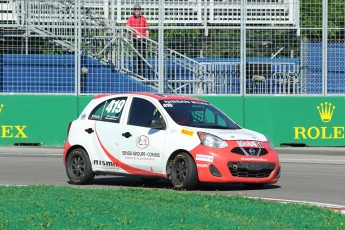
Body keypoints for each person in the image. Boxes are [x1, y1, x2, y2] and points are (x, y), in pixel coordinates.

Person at [126, 4, 149, 77]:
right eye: (135, 9)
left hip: (143, 39)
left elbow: (147, 29)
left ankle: (143, 72)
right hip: (136, 39)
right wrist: (134, 30)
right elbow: (127, 26)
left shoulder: (143, 18)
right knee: (139, 55)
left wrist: (147, 39)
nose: (137, 10)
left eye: (138, 9)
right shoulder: (131, 18)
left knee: (143, 55)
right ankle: (139, 72)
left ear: (140, 10)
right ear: (133, 10)